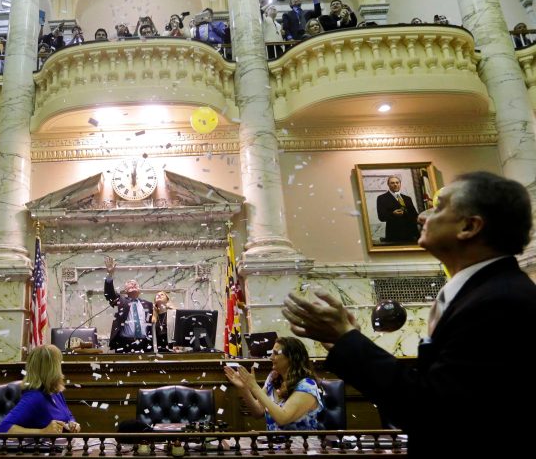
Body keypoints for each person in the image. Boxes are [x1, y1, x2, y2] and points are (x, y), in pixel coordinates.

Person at [282, 171, 536, 456]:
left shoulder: (500, 303)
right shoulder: (480, 294)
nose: (421, 216)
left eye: (438, 208)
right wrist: (344, 341)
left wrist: (348, 340)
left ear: (468, 227)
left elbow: (435, 412)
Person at [223, 336, 323, 431]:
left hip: (302, 446)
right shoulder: (273, 379)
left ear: (291, 357)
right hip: (273, 446)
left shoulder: (307, 386)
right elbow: (258, 411)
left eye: (276, 353)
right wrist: (244, 388)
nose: (271, 357)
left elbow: (282, 418)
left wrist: (254, 386)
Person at [0, 344, 81, 434]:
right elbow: (2, 429)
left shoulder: (56, 392)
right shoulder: (34, 398)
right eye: (59, 363)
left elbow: (68, 416)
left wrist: (73, 424)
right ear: (51, 369)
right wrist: (42, 431)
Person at [104, 256, 153, 353]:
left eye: (136, 284)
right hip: (124, 343)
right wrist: (110, 274)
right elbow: (109, 293)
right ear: (125, 290)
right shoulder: (121, 300)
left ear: (139, 290)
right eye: (130, 283)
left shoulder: (148, 305)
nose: (133, 284)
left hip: (144, 344)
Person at [376, 175, 420, 243]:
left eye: (397, 182)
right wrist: (393, 214)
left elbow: (414, 214)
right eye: (392, 183)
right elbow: (381, 217)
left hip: (412, 235)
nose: (395, 185)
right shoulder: (382, 198)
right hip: (394, 236)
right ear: (388, 184)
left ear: (400, 184)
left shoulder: (407, 198)